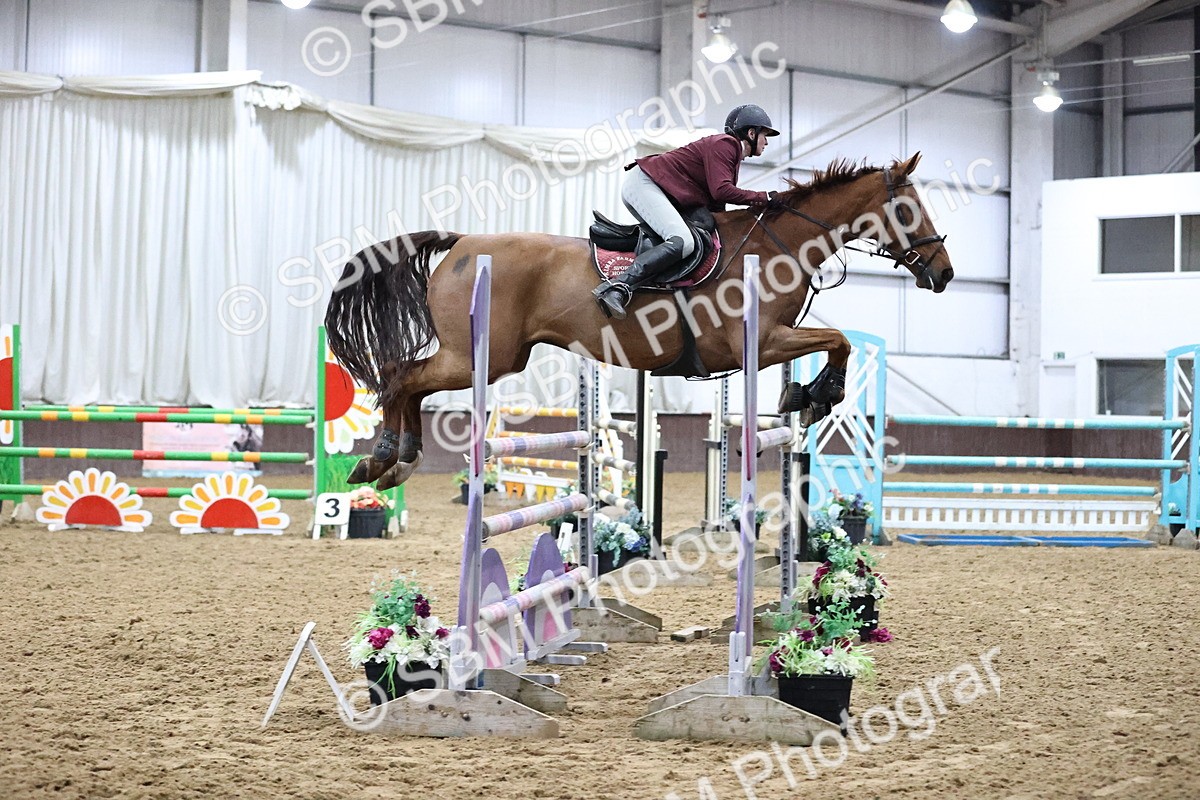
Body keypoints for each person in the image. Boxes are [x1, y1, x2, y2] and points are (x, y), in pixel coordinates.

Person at [593, 104, 782, 320]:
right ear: (751, 133)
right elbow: (721, 191)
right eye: (765, 135)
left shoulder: (732, 154)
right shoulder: (726, 144)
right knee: (684, 241)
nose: (766, 142)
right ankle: (618, 286)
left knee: (702, 230)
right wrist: (763, 197)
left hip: (656, 189)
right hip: (644, 184)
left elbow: (715, 208)